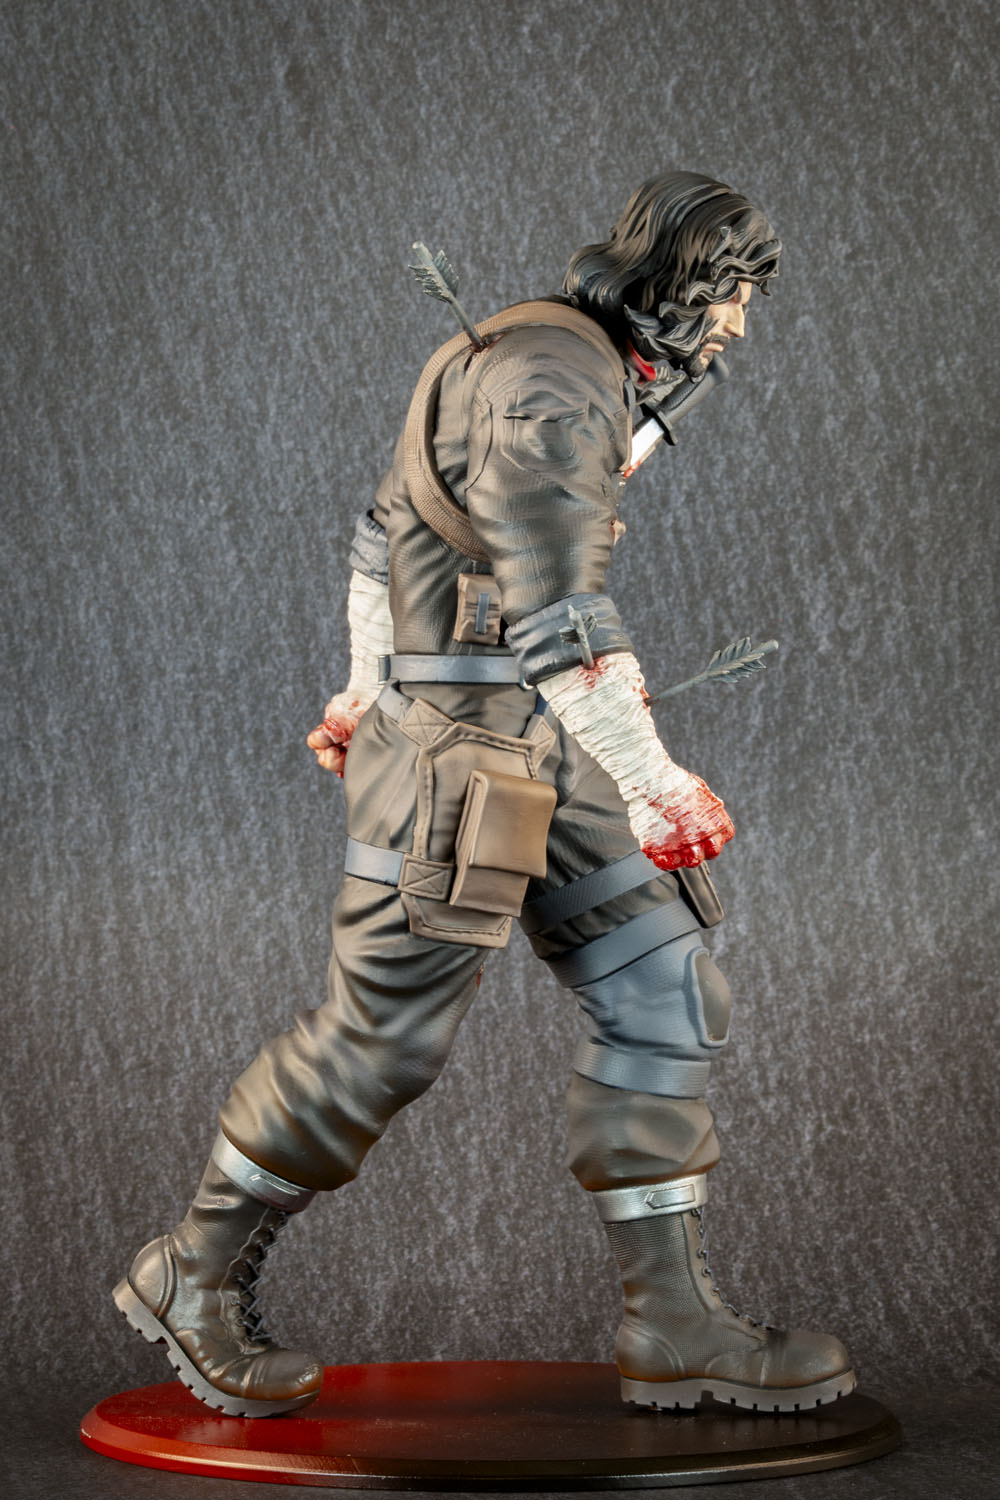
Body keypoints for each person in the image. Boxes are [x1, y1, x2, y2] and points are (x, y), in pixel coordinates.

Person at [115, 171, 854, 1417]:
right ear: (670, 279)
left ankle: (673, 1322)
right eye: (727, 293)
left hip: (537, 737)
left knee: (664, 986)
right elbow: (564, 622)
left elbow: (383, 533)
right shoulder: (551, 387)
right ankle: (191, 1273)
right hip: (459, 759)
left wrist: (360, 688)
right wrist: (656, 784)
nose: (736, 324)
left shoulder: (556, 360)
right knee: (381, 1043)